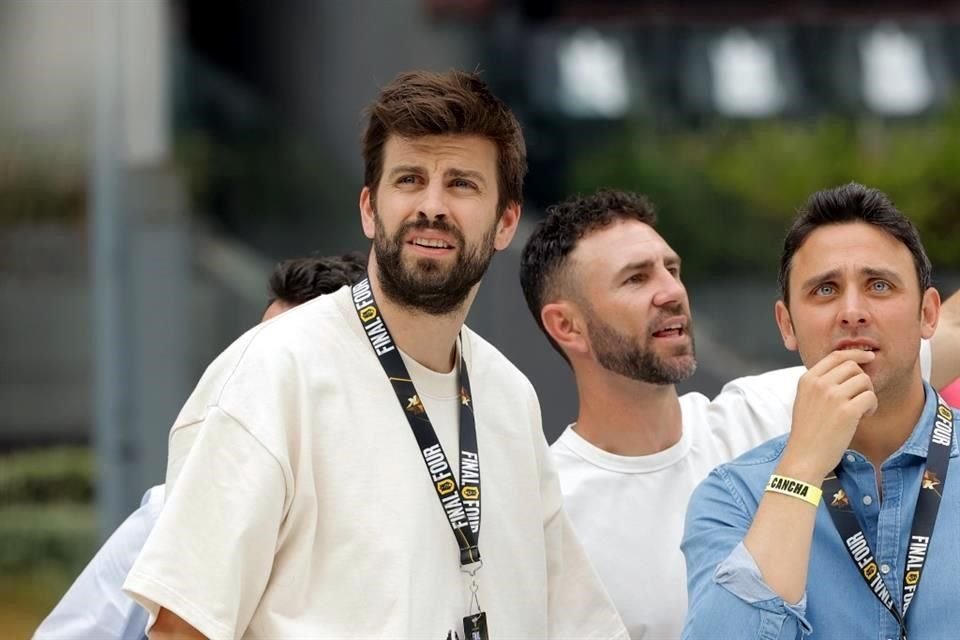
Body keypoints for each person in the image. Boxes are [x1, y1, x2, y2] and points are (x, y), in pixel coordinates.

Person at [124, 70, 628, 640]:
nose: (432, 206)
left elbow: (576, 622)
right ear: (370, 209)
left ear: (506, 220)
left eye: (462, 184)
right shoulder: (276, 372)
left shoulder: (509, 396)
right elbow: (181, 628)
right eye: (409, 179)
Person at [518, 188, 960, 640]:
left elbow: (937, 330)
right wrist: (801, 464)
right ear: (566, 325)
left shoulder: (791, 397)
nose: (671, 291)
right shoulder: (551, 510)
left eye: (672, 270)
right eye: (636, 279)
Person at [33, 253, 368, 640]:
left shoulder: (406, 520)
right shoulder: (171, 512)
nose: (258, 378)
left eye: (288, 365)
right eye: (253, 356)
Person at [682, 183, 960, 639]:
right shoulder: (732, 498)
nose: (852, 311)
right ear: (786, 324)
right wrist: (803, 466)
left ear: (928, 314)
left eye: (879, 285)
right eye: (825, 289)